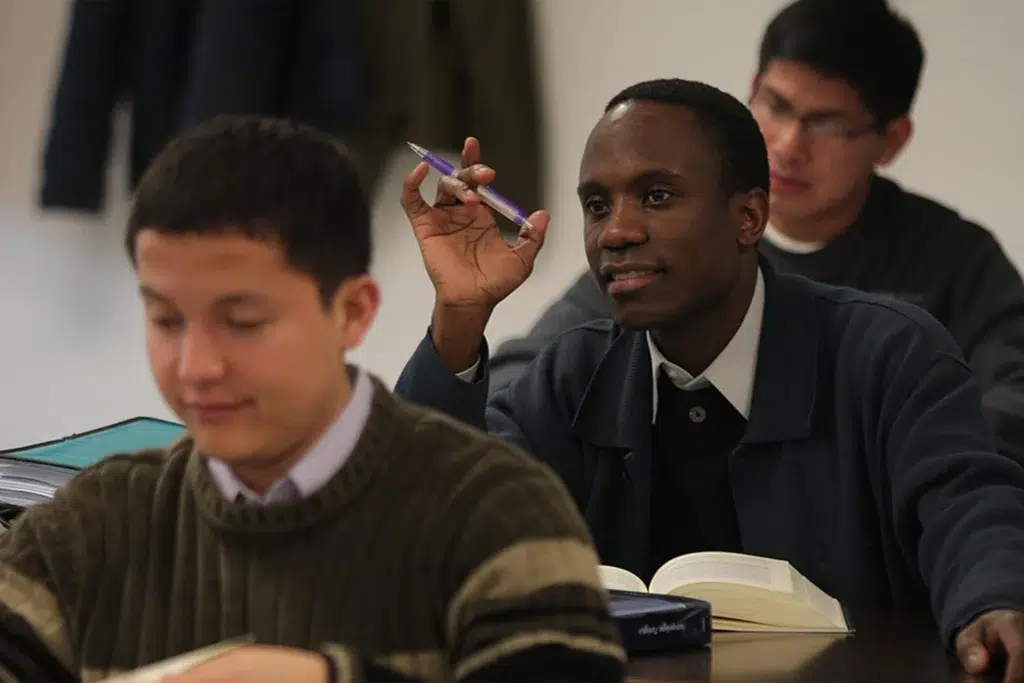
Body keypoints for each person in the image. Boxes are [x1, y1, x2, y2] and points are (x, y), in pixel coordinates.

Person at [394, 78, 1024, 680]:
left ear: (749, 217)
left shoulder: (889, 353)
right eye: (596, 205)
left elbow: (968, 502)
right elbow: (429, 526)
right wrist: (460, 313)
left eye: (658, 196)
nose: (617, 232)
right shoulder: (575, 373)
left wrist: (993, 602)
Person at [0, 117, 625, 683]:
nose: (197, 368)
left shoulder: (501, 515)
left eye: (242, 322)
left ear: (352, 311)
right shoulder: (86, 530)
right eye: (165, 320)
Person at [485, 0, 1024, 464]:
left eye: (828, 122)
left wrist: (882, 470)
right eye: (777, 106)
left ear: (892, 140)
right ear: (752, 92)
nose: (789, 144)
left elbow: (1013, 404)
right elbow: (525, 374)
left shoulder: (955, 259)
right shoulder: (684, 237)